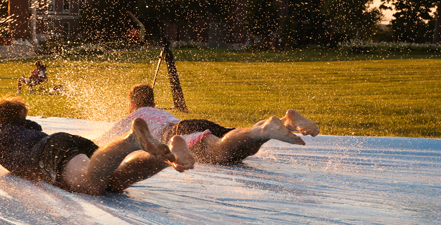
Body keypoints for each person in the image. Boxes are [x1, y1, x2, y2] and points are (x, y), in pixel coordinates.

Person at [0, 97, 195, 195]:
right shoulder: (31, 129)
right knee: (113, 181)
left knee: (91, 185)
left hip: (53, 151)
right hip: (64, 141)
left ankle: (131, 141)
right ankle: (169, 156)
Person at [98, 84, 320, 165]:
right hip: (190, 124)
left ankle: (266, 129)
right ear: (153, 103)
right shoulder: (159, 111)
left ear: (131, 105)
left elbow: (101, 144)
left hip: (177, 134)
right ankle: (284, 122)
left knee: (221, 153)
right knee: (238, 148)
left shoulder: (132, 119)